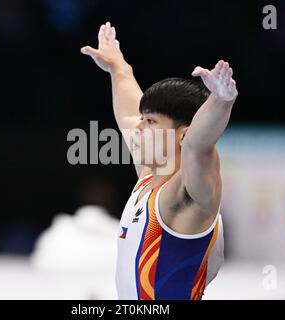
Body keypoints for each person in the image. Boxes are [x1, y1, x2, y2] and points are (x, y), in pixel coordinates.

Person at [81, 22, 237, 300]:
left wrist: (221, 102)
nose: (138, 128)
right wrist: (120, 68)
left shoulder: (187, 195)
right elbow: (129, 114)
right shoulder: (148, 179)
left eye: (150, 122)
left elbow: (198, 146)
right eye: (144, 119)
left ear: (183, 134)